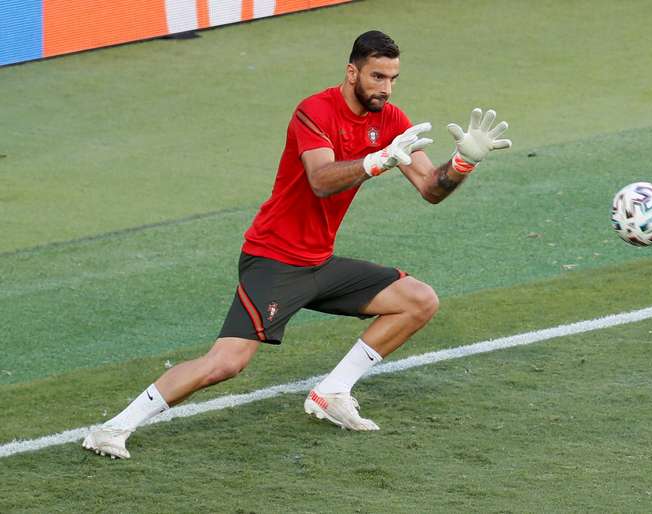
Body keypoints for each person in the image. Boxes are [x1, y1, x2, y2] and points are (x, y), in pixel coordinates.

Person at [83, 30, 511, 459]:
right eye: (378, 77)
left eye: (393, 78)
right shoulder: (314, 111)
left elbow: (431, 188)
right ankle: (112, 429)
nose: (386, 88)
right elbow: (321, 181)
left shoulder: (390, 119)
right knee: (227, 363)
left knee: (418, 300)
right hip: (273, 261)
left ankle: (332, 392)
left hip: (318, 263)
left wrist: (463, 163)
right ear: (352, 72)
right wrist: (375, 161)